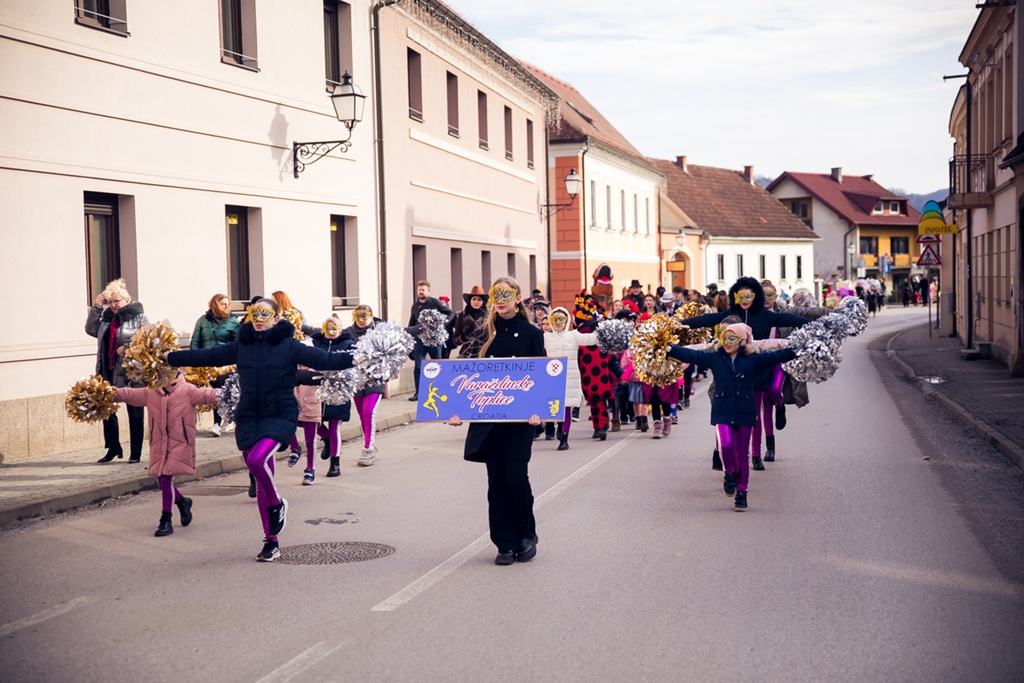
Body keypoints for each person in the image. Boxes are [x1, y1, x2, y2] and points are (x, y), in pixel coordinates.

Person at [167, 297, 355, 562]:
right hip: (249, 415)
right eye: (255, 315)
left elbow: (325, 359)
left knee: (258, 460)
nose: (258, 320)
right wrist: (170, 357)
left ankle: (278, 503)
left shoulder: (290, 346)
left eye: (265, 315)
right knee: (259, 474)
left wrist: (359, 358)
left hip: (279, 413)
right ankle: (271, 541)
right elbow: (208, 356)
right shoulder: (242, 346)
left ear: (277, 318)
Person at [447, 277, 545, 565]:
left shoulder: (531, 333)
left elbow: (540, 375)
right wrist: (456, 410)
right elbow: (467, 377)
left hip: (520, 419)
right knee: (496, 482)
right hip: (488, 420)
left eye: (507, 294)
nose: (501, 300)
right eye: (496, 295)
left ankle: (526, 534)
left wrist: (539, 410)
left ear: (517, 297)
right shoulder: (483, 333)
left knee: (516, 477)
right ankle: (504, 542)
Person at [682, 278, 810, 470]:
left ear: (755, 296)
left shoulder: (766, 316)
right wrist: (681, 324)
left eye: (748, 295)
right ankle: (720, 452)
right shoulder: (731, 315)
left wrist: (814, 325)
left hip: (755, 370)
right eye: (740, 295)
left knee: (754, 415)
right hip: (728, 372)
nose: (744, 299)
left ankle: (756, 455)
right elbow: (706, 320)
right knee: (722, 413)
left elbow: (789, 319)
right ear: (735, 296)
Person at [667, 323, 796, 511]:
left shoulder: (752, 359)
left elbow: (777, 356)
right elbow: (692, 355)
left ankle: (742, 493)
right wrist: (668, 349)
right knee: (726, 446)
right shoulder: (715, 358)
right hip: (723, 410)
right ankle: (729, 473)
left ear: (742, 341)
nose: (727, 343)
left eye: (732, 339)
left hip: (745, 410)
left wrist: (801, 348)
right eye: (725, 338)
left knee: (742, 454)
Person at [113, 372, 218, 536]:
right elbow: (129, 394)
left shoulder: (188, 390)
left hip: (179, 443)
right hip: (159, 443)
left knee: (165, 477)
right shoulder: (151, 392)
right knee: (162, 479)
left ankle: (166, 519)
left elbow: (208, 395)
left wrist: (234, 392)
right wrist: (104, 394)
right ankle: (183, 502)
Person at [85, 278, 150, 464]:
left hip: (131, 372)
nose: (113, 305)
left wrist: (127, 347)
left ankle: (135, 453)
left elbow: (148, 340)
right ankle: (113, 447)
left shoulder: (140, 317)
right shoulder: (106, 318)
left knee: (134, 412)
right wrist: (97, 307)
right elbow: (91, 329)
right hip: (108, 370)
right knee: (107, 411)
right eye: (110, 301)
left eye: (117, 301)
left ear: (126, 301)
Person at [543, 307, 597, 451]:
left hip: (570, 377)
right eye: (555, 320)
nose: (558, 323)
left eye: (562, 320)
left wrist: (602, 330)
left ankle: (564, 438)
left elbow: (591, 339)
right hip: (551, 377)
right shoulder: (545, 337)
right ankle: (559, 426)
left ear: (566, 321)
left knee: (566, 408)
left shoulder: (573, 335)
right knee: (555, 408)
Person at [190, 293, 240, 436]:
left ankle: (223, 421)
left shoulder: (233, 322)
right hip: (208, 363)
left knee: (224, 389)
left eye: (228, 304)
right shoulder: (202, 321)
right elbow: (195, 341)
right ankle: (219, 422)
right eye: (224, 304)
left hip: (226, 363)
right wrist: (194, 360)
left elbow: (238, 343)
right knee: (214, 393)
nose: (227, 307)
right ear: (215, 305)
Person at [341, 306, 385, 466]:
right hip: (356, 380)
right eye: (358, 317)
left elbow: (403, 333)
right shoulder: (347, 332)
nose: (361, 320)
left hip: (375, 379)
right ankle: (371, 445)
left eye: (364, 317)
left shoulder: (381, 330)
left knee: (368, 412)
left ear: (371, 317)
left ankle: (368, 449)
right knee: (362, 415)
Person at [408, 280, 454, 401]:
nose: (421, 292)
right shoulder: (415, 305)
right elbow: (412, 322)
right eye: (419, 290)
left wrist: (443, 324)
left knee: (437, 364)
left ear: (428, 291)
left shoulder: (435, 302)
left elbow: (451, 313)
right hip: (419, 339)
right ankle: (418, 392)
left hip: (434, 339)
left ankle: (441, 389)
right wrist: (408, 334)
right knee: (418, 365)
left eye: (423, 290)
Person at [455, 286, 488, 358]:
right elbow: (455, 341)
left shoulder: (488, 317)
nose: (476, 302)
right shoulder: (462, 315)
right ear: (470, 301)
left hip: (484, 353)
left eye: (479, 300)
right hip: (467, 353)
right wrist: (464, 336)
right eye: (474, 299)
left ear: (483, 302)